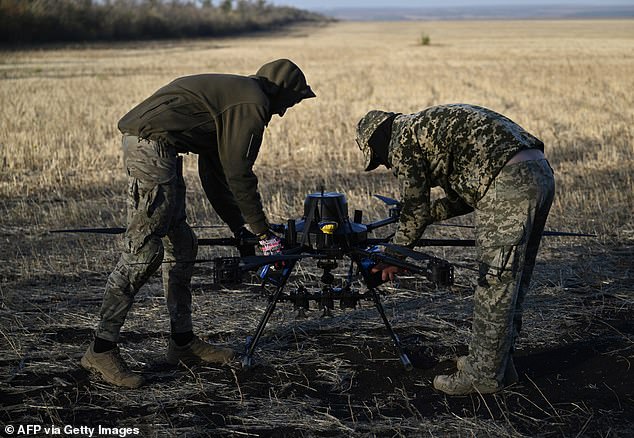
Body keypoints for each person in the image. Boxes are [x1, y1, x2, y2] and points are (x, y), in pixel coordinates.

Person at [81, 59, 315, 388]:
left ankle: (183, 343)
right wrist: (264, 235)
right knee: (143, 253)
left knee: (183, 246)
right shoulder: (253, 103)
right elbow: (239, 175)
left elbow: (215, 175)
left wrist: (240, 229)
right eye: (290, 103)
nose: (283, 113)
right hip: (151, 147)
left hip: (161, 150)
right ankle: (100, 350)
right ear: (280, 91)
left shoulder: (237, 98)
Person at [355, 104, 555, 395]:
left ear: (377, 141)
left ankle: (482, 377)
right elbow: (462, 198)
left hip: (508, 184)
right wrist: (425, 215)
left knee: (494, 283)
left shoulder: (401, 140)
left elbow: (415, 209)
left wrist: (394, 256)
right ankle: (497, 364)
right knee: (513, 280)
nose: (387, 165)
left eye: (379, 160)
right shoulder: (428, 126)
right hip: (539, 174)